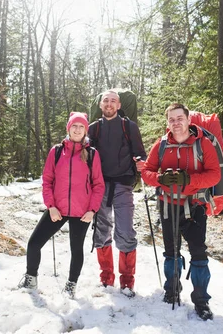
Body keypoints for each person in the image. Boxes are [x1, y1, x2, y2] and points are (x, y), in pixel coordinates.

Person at [140, 103, 221, 320]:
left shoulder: (203, 144)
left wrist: (189, 179)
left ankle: (202, 301)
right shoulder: (162, 144)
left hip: (195, 206)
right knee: (171, 252)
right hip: (168, 205)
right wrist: (160, 179)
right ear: (168, 122)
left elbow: (215, 175)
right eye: (172, 119)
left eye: (179, 118)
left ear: (188, 119)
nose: (176, 123)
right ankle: (171, 290)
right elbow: (147, 171)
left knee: (198, 253)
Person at [18, 112, 105, 299]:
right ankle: (30, 278)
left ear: (85, 130)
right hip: (57, 209)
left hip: (82, 212)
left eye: (81, 127)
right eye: (74, 126)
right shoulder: (57, 151)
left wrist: (92, 210)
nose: (77, 129)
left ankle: (71, 285)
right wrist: (51, 206)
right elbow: (47, 180)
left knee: (76, 249)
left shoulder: (91, 154)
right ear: (68, 128)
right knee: (34, 244)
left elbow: (98, 185)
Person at [88, 89, 146, 296]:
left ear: (119, 105)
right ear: (101, 105)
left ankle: (127, 281)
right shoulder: (93, 129)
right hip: (100, 186)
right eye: (106, 101)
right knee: (101, 231)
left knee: (125, 231)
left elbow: (140, 153)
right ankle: (106, 277)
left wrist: (141, 163)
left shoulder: (129, 127)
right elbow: (86, 157)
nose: (110, 104)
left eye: (113, 101)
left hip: (123, 185)